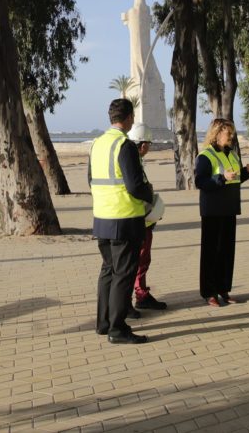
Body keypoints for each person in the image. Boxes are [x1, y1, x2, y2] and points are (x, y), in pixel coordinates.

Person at [89, 98, 153, 345]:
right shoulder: (124, 145)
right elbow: (135, 185)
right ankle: (118, 328)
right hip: (125, 218)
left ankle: (103, 323)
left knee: (108, 270)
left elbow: (90, 178)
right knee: (124, 275)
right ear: (128, 118)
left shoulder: (97, 144)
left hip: (102, 218)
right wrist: (150, 194)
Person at [195, 118, 249, 307]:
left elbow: (235, 179)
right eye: (227, 133)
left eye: (232, 133)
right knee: (211, 253)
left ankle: (223, 289)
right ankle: (209, 292)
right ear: (216, 134)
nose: (231, 137)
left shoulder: (232, 154)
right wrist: (221, 178)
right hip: (212, 211)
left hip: (229, 209)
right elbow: (200, 182)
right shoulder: (205, 156)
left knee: (226, 252)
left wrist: (246, 171)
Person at [128, 123, 167, 312]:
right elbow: (139, 189)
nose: (149, 148)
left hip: (138, 218)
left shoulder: (133, 160)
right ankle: (140, 295)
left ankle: (140, 293)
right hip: (139, 219)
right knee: (140, 260)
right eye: (149, 144)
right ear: (142, 145)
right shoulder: (133, 161)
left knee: (140, 260)